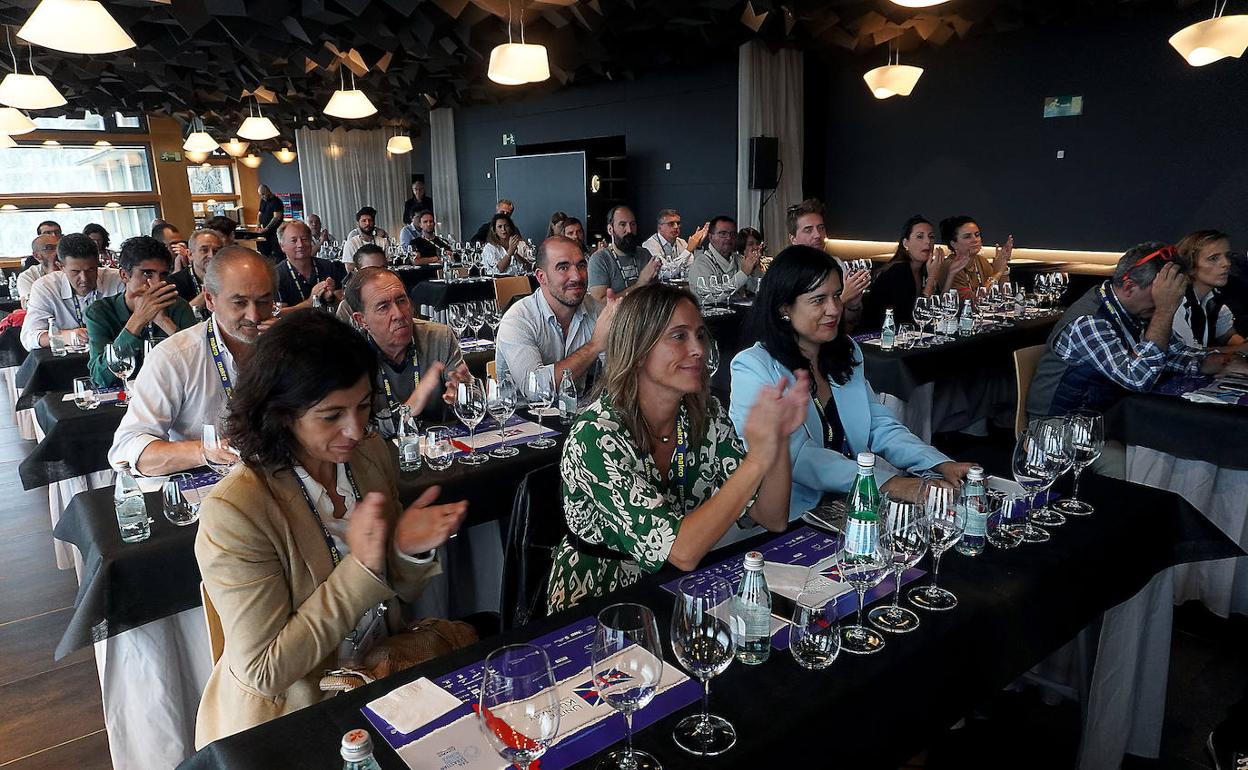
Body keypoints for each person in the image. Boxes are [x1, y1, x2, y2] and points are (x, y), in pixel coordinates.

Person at [193, 309, 466, 747]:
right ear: (280, 413)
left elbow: (397, 593)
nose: (355, 429)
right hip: (295, 719)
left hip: (381, 680)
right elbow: (267, 672)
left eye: (362, 407)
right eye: (330, 415)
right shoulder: (237, 511)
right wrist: (361, 565)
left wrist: (405, 550)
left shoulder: (369, 457)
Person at [545, 282, 809, 611]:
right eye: (679, 336)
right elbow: (681, 550)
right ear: (638, 350)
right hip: (600, 602)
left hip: (676, 587)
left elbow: (771, 517)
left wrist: (778, 436)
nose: (698, 349)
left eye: (700, 335)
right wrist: (757, 459)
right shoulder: (595, 436)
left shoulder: (705, 415)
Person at [730, 245, 968, 517]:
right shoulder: (753, 367)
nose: (834, 309)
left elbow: (877, 425)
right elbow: (797, 458)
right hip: (791, 514)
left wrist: (939, 463)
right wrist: (889, 483)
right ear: (785, 307)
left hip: (852, 503)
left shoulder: (844, 350)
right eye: (818, 300)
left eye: (836, 296)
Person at [1028, 241, 1248, 419]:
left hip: (1105, 417)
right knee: (1159, 458)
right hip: (1060, 432)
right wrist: (1165, 311)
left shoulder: (1136, 310)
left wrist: (1219, 361)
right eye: (1160, 295)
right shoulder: (1090, 322)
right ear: (1129, 287)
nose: (1166, 301)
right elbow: (1139, 378)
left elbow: (1172, 353)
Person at [108, 246, 278, 475]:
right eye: (239, 303)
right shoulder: (174, 357)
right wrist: (204, 451)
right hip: (215, 485)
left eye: (264, 302)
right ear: (209, 299)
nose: (254, 316)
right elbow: (127, 449)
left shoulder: (289, 348)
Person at [344, 267, 469, 423]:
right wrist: (408, 410)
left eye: (401, 301)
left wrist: (462, 396)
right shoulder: (349, 357)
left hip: (437, 443)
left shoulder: (439, 338)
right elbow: (361, 430)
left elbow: (469, 406)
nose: (399, 314)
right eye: (383, 307)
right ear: (361, 320)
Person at [495, 236, 617, 394]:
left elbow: (617, 372)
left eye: (581, 265)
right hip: (521, 415)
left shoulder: (596, 310)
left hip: (576, 411)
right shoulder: (517, 319)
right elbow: (535, 390)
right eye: (563, 268)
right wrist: (593, 347)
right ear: (541, 277)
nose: (577, 276)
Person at [85, 236, 198, 386]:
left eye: (163, 274)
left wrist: (164, 321)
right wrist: (138, 320)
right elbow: (100, 378)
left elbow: (199, 364)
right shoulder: (99, 312)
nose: (157, 283)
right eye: (147, 274)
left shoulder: (178, 306)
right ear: (124, 275)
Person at [22, 233, 124, 351]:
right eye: (75, 272)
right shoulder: (45, 288)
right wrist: (66, 336)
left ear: (98, 262)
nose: (84, 278)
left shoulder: (117, 281)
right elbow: (29, 338)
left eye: (90, 270)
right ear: (61, 267)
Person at [861, 215, 958, 330]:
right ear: (905, 243)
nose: (928, 241)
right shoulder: (897, 271)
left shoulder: (925, 269)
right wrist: (932, 279)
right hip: (880, 337)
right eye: (920, 237)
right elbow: (909, 320)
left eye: (931, 237)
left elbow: (939, 309)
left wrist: (951, 273)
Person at [786, 198, 869, 315]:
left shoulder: (836, 263)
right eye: (808, 230)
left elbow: (850, 323)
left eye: (821, 228)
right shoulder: (787, 271)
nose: (817, 235)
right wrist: (843, 297)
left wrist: (853, 305)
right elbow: (805, 320)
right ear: (793, 238)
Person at [1172, 229, 1245, 349]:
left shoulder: (1213, 298)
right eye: (1213, 258)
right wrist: (1242, 349)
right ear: (1190, 265)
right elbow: (1189, 355)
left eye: (1227, 256)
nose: (1226, 263)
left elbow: (1226, 334)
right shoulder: (1177, 302)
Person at [588, 205, 661, 299]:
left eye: (633, 224)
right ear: (610, 229)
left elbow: (655, 291)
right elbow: (601, 303)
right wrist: (639, 284)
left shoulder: (644, 254)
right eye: (623, 225)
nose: (629, 230)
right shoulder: (599, 260)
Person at [686, 215, 761, 301]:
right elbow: (712, 297)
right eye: (723, 234)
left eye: (732, 234)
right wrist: (743, 274)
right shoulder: (701, 264)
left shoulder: (739, 260)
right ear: (711, 237)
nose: (729, 238)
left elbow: (758, 289)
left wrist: (755, 268)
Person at [276, 220, 347, 310]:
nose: (300, 244)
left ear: (310, 241)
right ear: (282, 246)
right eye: (294, 241)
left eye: (304, 239)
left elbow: (343, 303)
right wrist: (310, 301)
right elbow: (278, 315)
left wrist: (330, 297)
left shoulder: (329, 266)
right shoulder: (276, 276)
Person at [939, 215, 1012, 298]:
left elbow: (1004, 295)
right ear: (954, 244)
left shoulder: (981, 260)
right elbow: (971, 302)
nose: (975, 240)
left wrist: (1003, 269)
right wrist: (997, 274)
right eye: (967, 237)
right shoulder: (950, 265)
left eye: (977, 235)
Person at [170, 229, 223, 318]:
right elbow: (180, 318)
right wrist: (210, 288)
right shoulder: (174, 283)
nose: (211, 255)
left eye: (216, 251)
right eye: (204, 250)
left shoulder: (231, 279)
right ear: (190, 255)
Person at [643, 209, 707, 279]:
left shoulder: (681, 242)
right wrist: (688, 250)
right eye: (671, 223)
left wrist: (698, 247)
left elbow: (693, 268)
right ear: (659, 227)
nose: (676, 227)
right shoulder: (649, 245)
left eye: (678, 223)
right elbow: (667, 273)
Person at [17, 233, 60, 307]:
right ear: (37, 256)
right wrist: (52, 274)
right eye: (50, 248)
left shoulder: (70, 269)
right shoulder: (28, 276)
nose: (57, 252)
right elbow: (29, 306)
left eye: (59, 247)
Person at [257, 184, 285, 259]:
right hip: (265, 232)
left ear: (268, 191)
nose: (262, 196)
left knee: (278, 253)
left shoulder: (276, 201)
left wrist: (267, 228)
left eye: (263, 194)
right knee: (264, 253)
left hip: (274, 232)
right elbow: (260, 213)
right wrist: (258, 225)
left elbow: (276, 217)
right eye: (260, 195)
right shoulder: (263, 200)